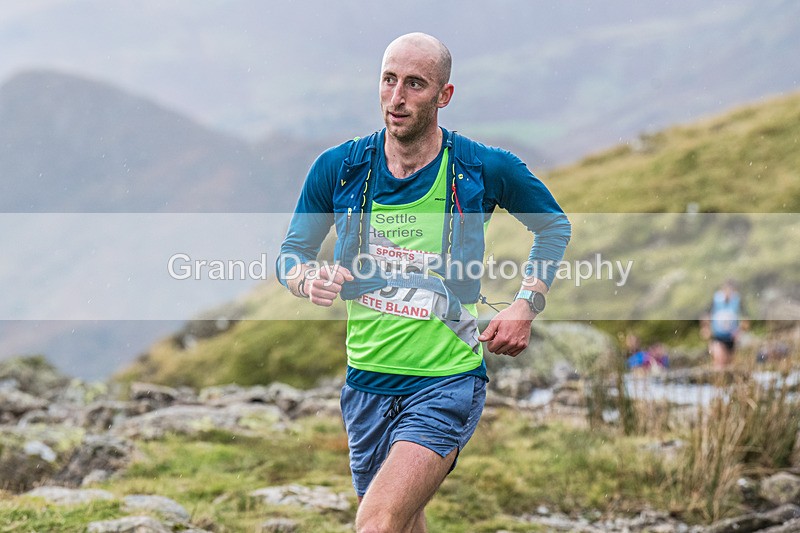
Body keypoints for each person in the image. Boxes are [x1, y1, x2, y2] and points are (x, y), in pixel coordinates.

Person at [277, 32, 570, 533]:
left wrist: (526, 303)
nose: (397, 98)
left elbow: (552, 226)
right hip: (365, 385)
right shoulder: (339, 167)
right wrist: (307, 280)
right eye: (389, 80)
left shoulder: (481, 168)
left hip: (446, 382)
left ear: (444, 95)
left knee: (376, 523)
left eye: (415, 84)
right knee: (405, 521)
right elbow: (291, 255)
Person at [701, 279, 748, 369]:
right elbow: (705, 315)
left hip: (731, 338)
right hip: (717, 336)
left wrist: (740, 331)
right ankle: (717, 379)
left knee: (729, 363)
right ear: (722, 289)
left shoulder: (737, 300)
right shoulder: (715, 299)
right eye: (726, 290)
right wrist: (705, 328)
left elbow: (746, 318)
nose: (728, 293)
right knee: (719, 360)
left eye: (730, 291)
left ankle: (724, 381)